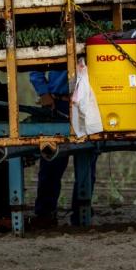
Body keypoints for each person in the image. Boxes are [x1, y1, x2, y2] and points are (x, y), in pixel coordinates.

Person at [29, 69, 97, 227]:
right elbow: (35, 70)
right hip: (59, 103)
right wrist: (44, 93)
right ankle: (45, 214)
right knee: (52, 161)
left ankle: (81, 214)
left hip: (89, 103)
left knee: (87, 162)